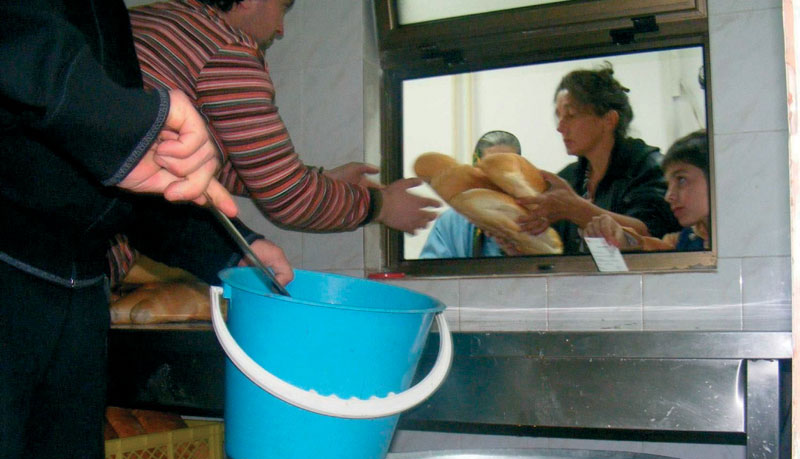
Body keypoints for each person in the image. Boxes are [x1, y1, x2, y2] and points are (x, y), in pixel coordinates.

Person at [0, 2, 292, 459]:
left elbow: (122, 186)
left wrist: (233, 249)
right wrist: (117, 118)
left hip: (80, 296)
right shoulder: (226, 47)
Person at [111, 0, 439, 281]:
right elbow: (290, 198)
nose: (281, 29)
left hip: (88, 223)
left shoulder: (151, 19)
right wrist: (383, 206)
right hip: (92, 253)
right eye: (282, 7)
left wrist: (322, 178)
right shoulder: (226, 48)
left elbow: (201, 163)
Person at [516, 63, 681, 254]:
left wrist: (575, 209)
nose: (560, 127)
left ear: (609, 120)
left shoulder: (648, 167)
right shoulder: (569, 177)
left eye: (571, 115)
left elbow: (651, 235)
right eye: (558, 116)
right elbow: (554, 251)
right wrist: (519, 242)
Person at [583, 130, 710, 251]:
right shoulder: (681, 241)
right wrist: (621, 237)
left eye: (681, 180)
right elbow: (651, 248)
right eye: (668, 185)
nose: (668, 196)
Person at [419, 130, 522, 258]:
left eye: (507, 169)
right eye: (491, 169)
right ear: (476, 172)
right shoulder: (451, 222)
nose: (499, 179)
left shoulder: (535, 221)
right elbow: (432, 267)